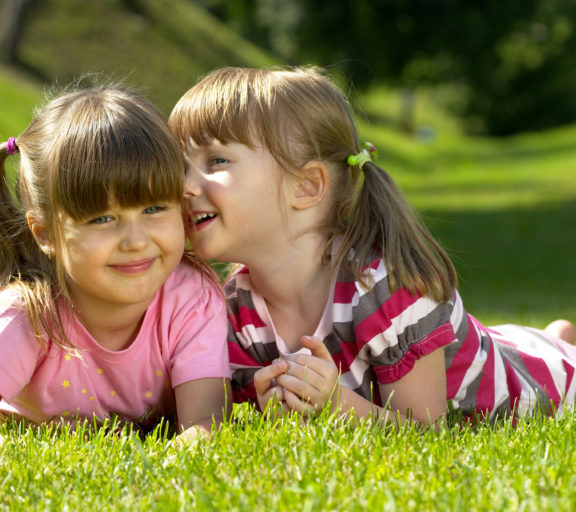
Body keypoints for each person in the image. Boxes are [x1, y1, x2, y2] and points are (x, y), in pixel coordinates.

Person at [168, 66, 576, 425]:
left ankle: (557, 343)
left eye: (216, 161)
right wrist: (266, 400)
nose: (185, 186)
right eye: (183, 166)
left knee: (546, 361)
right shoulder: (234, 308)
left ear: (307, 186)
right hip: (496, 342)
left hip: (540, 383)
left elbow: (425, 432)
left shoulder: (386, 287)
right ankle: (554, 333)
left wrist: (335, 405)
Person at [0, 85, 231, 441]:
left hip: (10, 354)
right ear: (46, 234)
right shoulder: (26, 317)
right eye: (102, 219)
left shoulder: (193, 298)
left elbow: (206, 423)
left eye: (154, 209)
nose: (136, 241)